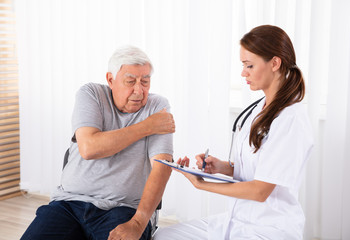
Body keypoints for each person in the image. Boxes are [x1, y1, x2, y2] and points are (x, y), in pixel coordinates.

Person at [154, 25, 314, 240]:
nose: (243, 73)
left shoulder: (291, 119)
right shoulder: (260, 109)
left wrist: (204, 185)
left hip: (269, 229)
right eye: (243, 65)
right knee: (164, 236)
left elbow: (260, 190)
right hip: (237, 220)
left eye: (249, 65)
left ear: (275, 63)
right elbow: (257, 166)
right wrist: (221, 167)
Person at [21, 45, 175, 240]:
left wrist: (137, 223)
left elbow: (162, 166)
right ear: (111, 80)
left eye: (145, 81)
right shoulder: (91, 94)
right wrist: (147, 126)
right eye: (130, 81)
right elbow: (89, 148)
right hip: (69, 204)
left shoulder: (157, 106)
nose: (139, 90)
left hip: (123, 210)